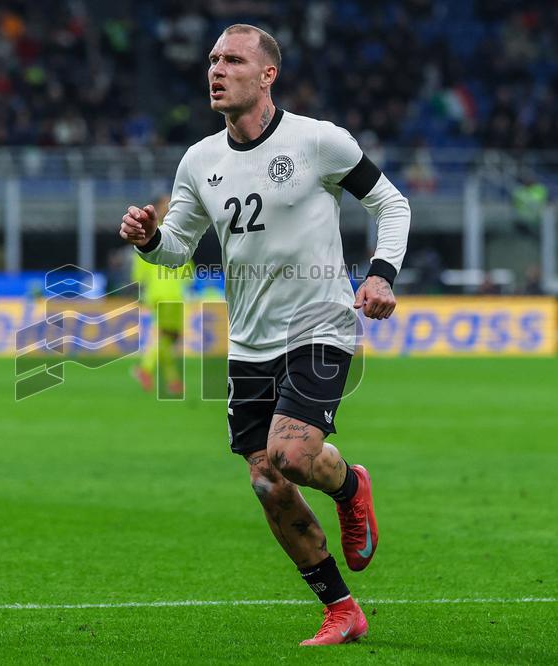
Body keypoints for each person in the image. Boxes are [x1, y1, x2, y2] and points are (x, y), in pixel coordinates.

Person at [119, 24, 410, 646]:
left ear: (267, 75)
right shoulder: (199, 161)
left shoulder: (318, 141)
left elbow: (392, 204)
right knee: (267, 482)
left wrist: (382, 274)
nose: (216, 70)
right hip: (249, 343)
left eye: (232, 60)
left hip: (318, 325)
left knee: (291, 455)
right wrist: (149, 239)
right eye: (212, 60)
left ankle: (350, 486)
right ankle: (341, 609)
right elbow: (176, 251)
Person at [130, 194, 194, 396]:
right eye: (166, 205)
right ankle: (146, 368)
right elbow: (188, 272)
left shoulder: (146, 237)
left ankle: (172, 381)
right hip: (171, 294)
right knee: (170, 337)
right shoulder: (175, 236)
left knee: (167, 338)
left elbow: (138, 274)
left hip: (156, 295)